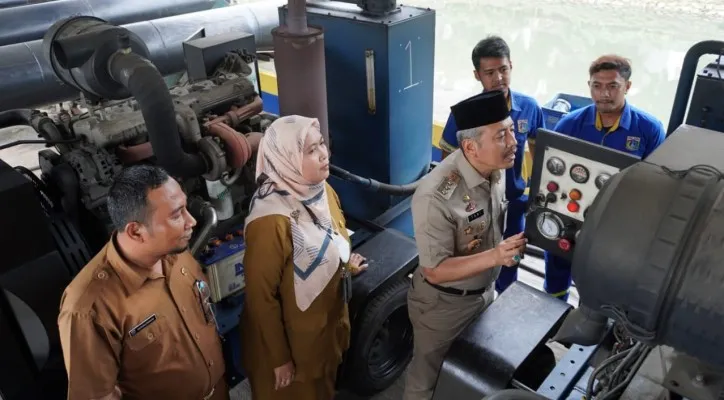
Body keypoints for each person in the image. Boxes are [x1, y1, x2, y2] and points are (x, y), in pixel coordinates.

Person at [57, 165, 229, 400]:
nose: (191, 221)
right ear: (136, 232)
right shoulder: (88, 309)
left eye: (185, 208)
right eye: (177, 215)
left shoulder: (176, 252)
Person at [404, 90, 528, 400]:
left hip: (484, 294)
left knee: (465, 375)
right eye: (501, 135)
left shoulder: (496, 168)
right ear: (471, 146)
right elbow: (434, 271)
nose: (513, 142)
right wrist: (496, 256)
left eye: (511, 130)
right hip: (443, 307)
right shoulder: (436, 196)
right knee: (426, 381)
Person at [240, 115, 368, 400]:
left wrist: (343, 266)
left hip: (323, 335)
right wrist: (279, 359)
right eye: (310, 150)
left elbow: (331, 237)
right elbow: (261, 299)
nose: (324, 154)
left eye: (322, 144)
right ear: (286, 158)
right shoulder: (270, 221)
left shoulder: (321, 190)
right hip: (292, 352)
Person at [544, 54, 666, 301]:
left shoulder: (648, 130)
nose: (604, 94)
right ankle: (553, 314)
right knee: (558, 265)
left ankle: (596, 317)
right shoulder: (570, 125)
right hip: (571, 211)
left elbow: (657, 183)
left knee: (607, 275)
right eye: (597, 86)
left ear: (628, 87)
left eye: (613, 86)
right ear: (588, 85)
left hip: (618, 221)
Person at [438, 36, 545, 295]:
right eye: (489, 72)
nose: (498, 78)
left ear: (511, 67)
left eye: (503, 69)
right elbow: (447, 161)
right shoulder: (464, 115)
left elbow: (539, 151)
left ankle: (506, 298)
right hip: (478, 205)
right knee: (477, 254)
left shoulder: (529, 107)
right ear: (477, 75)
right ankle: (477, 300)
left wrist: (537, 193)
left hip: (515, 202)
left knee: (512, 255)